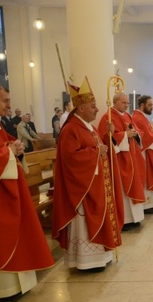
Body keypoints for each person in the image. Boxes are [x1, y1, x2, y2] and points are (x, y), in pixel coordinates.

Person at [0, 82, 54, 302]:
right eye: (4, 100)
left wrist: (13, 147)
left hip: (6, 190)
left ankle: (16, 285)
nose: (8, 105)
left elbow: (1, 147)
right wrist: (9, 152)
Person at [52, 76, 124, 272]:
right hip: (82, 189)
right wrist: (95, 153)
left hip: (96, 184)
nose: (97, 109)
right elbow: (70, 159)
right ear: (81, 108)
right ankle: (87, 260)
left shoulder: (89, 127)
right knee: (85, 223)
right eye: (93, 106)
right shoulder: (70, 130)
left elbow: (101, 148)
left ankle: (100, 255)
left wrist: (108, 137)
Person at [98, 92, 146, 232]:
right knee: (123, 189)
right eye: (124, 103)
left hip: (131, 156)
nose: (127, 105)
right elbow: (106, 137)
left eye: (128, 103)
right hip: (119, 159)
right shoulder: (107, 117)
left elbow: (135, 130)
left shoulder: (127, 116)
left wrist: (134, 133)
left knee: (134, 184)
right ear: (116, 102)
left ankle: (135, 218)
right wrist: (125, 135)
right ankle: (125, 220)